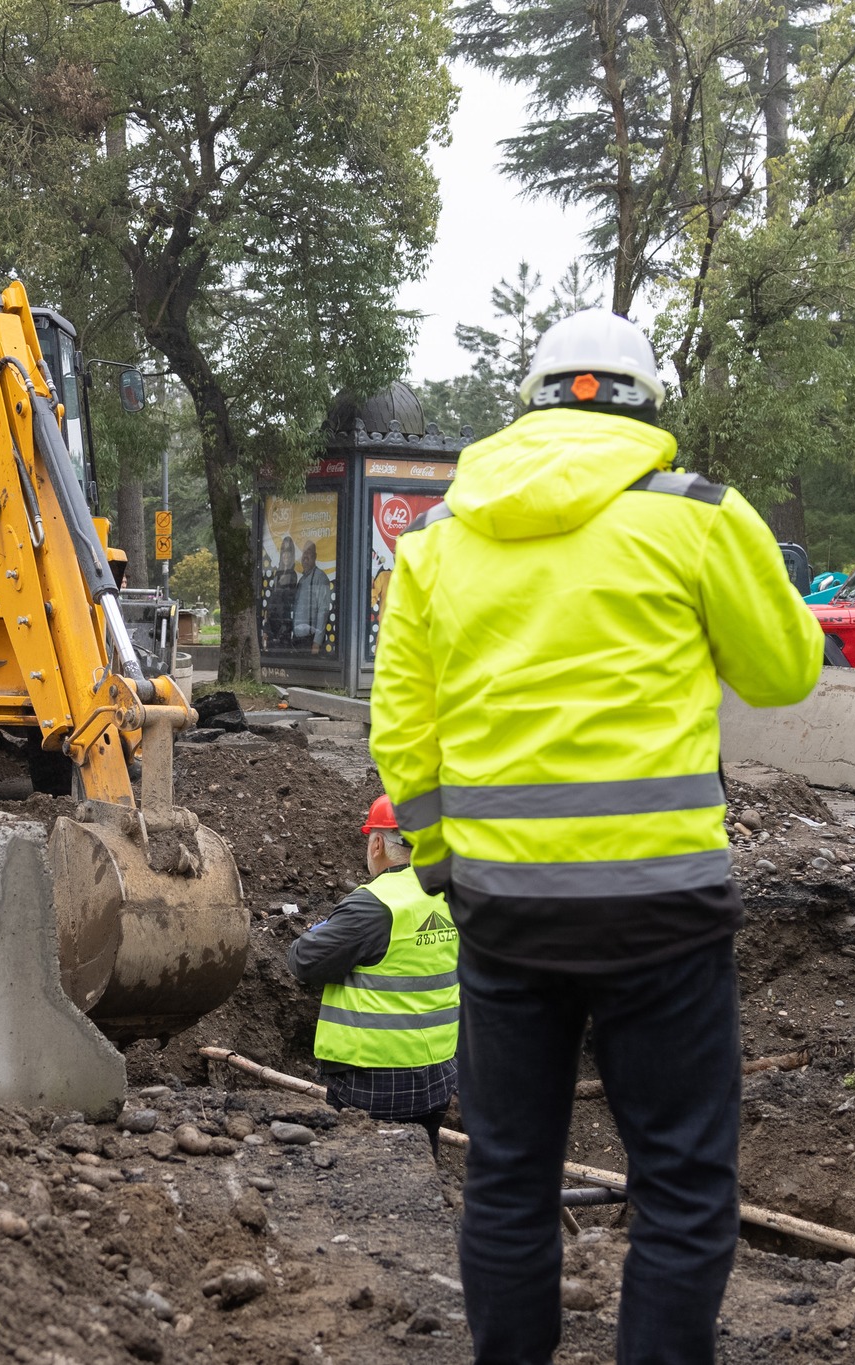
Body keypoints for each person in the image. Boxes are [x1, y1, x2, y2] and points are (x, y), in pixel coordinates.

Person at [369, 309, 823, 1365]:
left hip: (502, 913)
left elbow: (403, 725)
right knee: (679, 1181)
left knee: (508, 1176)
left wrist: (440, 862)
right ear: (644, 406)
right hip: (661, 913)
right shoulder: (699, 517)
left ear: (525, 405)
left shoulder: (436, 540)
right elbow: (784, 673)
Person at [285, 795, 459, 1154]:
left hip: (373, 1082)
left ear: (377, 843)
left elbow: (304, 960)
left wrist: (323, 928)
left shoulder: (374, 904)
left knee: (364, 1177)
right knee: (422, 1170)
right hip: (439, 1076)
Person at [291, 541, 332, 651]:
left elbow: (323, 611)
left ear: (315, 556)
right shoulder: (301, 580)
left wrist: (317, 642)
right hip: (297, 641)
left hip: (310, 642)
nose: (305, 556)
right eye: (304, 552)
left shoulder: (320, 577)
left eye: (308, 552)